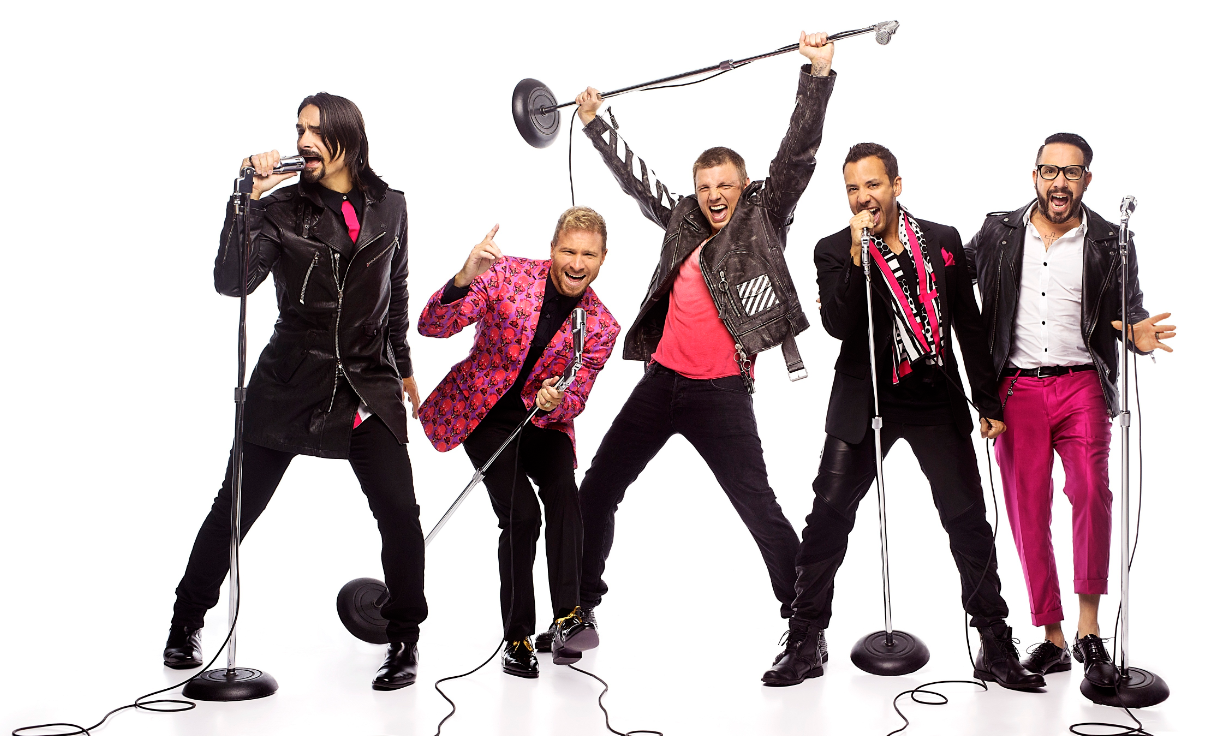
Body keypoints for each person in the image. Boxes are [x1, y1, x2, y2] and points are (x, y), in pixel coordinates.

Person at [566, 31, 835, 649]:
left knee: (758, 507)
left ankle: (805, 627)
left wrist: (817, 77)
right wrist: (597, 125)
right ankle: (579, 609)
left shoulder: (763, 219)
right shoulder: (684, 219)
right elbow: (640, 185)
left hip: (721, 393)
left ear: (744, 188)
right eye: (705, 186)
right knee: (598, 489)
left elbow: (796, 157)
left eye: (725, 186)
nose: (714, 196)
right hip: (661, 385)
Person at [164, 93, 427, 691]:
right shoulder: (280, 208)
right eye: (299, 129)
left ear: (347, 139)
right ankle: (186, 621)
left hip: (367, 383)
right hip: (290, 380)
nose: (303, 141)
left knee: (400, 514)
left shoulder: (391, 205)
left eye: (315, 130)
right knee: (236, 507)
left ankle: (404, 636)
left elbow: (397, 293)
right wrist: (246, 203)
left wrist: (405, 370)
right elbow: (232, 282)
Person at [762, 143, 1044, 691]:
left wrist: (987, 403)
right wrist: (856, 256)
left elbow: (968, 324)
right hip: (865, 398)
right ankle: (804, 638)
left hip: (935, 396)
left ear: (895, 185)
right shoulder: (833, 249)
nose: (862, 198)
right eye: (852, 189)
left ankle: (993, 640)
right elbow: (839, 325)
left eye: (872, 185)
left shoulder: (943, 240)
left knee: (967, 521)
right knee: (828, 518)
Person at [965, 133, 1175, 689]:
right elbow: (951, 281)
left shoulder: (1110, 240)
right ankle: (1053, 637)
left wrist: (1139, 334)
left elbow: (1131, 308)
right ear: (1035, 175)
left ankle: (1089, 630)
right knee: (1027, 509)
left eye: (1072, 172)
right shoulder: (998, 231)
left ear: (1087, 180)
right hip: (1017, 389)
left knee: (1090, 490)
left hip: (1082, 384)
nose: (1060, 182)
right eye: (1050, 171)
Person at [417, 208, 620, 677]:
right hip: (484, 413)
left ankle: (568, 618)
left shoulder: (602, 326)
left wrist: (557, 400)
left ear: (603, 258)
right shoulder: (506, 275)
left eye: (588, 255)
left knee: (565, 496)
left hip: (544, 422)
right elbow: (433, 326)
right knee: (522, 515)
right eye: (568, 250)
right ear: (552, 249)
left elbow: (579, 394)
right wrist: (466, 275)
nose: (576, 263)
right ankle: (517, 637)